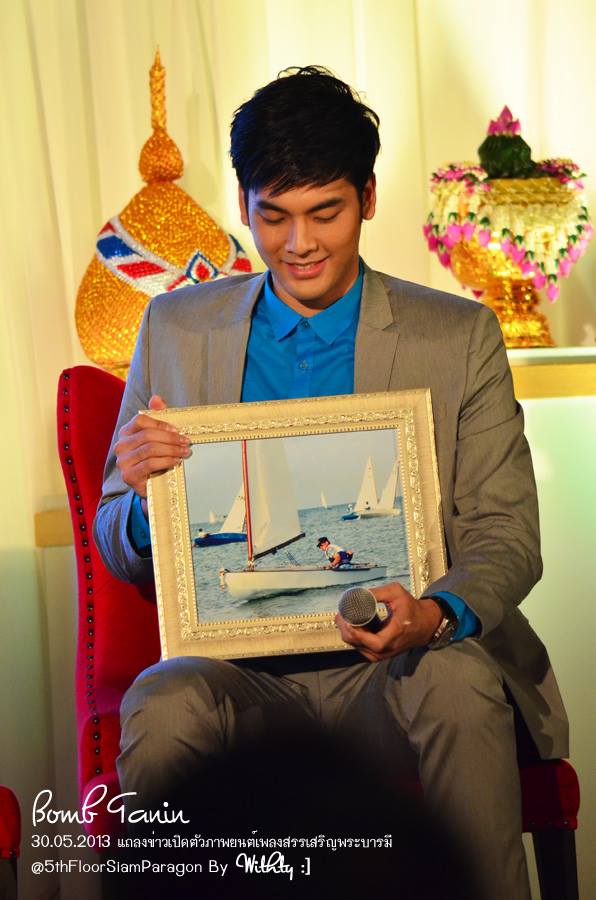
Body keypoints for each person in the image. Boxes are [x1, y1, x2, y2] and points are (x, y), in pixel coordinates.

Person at [94, 66, 567, 899]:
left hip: (399, 669)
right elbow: (114, 540)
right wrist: (140, 501)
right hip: (238, 678)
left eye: (326, 212)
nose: (299, 243)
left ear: (369, 198)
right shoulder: (174, 327)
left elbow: (506, 535)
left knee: (458, 679)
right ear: (244, 205)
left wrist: (433, 615)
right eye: (273, 215)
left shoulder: (458, 335)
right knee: (163, 699)